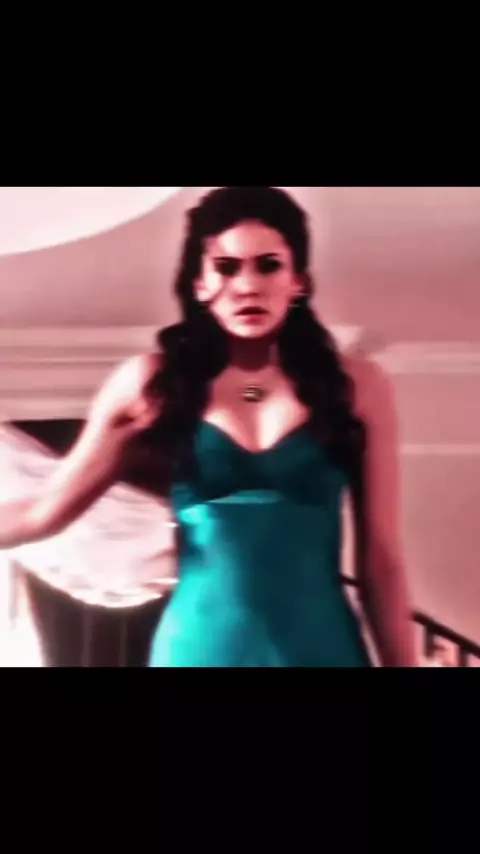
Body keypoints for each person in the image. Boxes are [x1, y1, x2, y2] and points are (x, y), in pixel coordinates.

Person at [0, 186, 417, 667]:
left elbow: (381, 558)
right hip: (200, 647)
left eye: (268, 265)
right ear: (199, 285)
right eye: (226, 267)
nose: (247, 285)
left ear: (298, 281)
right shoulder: (151, 384)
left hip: (322, 647)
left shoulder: (357, 386)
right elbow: (44, 512)